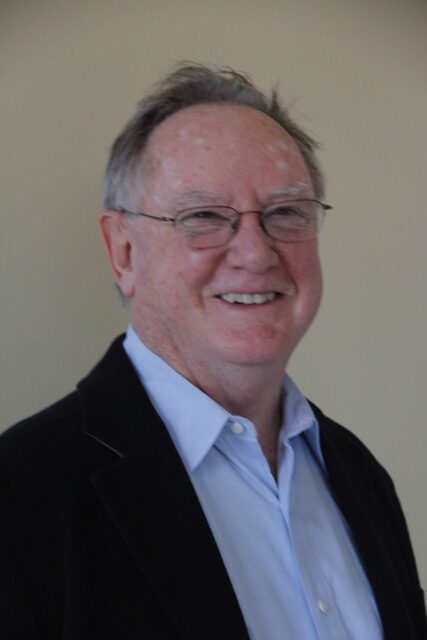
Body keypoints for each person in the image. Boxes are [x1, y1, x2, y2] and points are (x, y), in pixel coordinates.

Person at [1, 64, 426, 640]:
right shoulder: (22, 491)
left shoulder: (359, 474)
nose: (255, 253)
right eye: (202, 217)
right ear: (123, 252)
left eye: (285, 213)